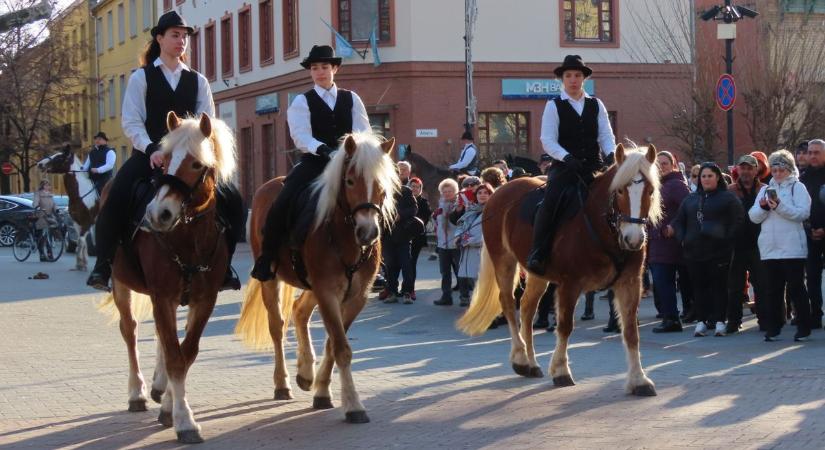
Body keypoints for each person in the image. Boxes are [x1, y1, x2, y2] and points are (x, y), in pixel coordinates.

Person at [86, 11, 245, 292]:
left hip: (189, 160)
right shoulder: (142, 78)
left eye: (184, 36)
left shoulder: (198, 81)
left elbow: (207, 123)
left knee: (232, 200)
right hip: (149, 156)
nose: (181, 41)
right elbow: (131, 121)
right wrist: (151, 149)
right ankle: (103, 265)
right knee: (115, 199)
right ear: (159, 38)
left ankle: (224, 268)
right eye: (175, 35)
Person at [251, 44, 371, 281]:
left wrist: (353, 149)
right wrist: (323, 149)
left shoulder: (352, 98)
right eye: (314, 68)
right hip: (316, 162)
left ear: (334, 68)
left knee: (374, 200)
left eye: (325, 67)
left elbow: (363, 130)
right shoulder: (301, 102)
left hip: (349, 164)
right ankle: (267, 257)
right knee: (284, 198)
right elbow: (300, 136)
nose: (320, 72)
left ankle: (376, 261)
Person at [527, 55, 616, 274]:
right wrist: (566, 157)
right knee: (550, 202)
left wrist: (612, 154)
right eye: (568, 76)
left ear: (584, 79)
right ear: (562, 79)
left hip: (594, 167)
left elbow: (605, 134)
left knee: (619, 200)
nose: (573, 80)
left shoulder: (596, 104)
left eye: (577, 75)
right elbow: (547, 140)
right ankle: (538, 252)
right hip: (565, 167)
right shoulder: (554, 105)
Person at [671, 162, 744, 337]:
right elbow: (678, 221)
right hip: (694, 252)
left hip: (719, 252)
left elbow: (739, 220)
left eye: (710, 175)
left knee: (719, 287)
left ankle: (719, 321)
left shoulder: (728, 198)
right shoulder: (691, 199)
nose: (706, 179)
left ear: (717, 177)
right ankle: (701, 321)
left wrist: (727, 238)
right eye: (703, 176)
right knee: (699, 287)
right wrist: (683, 239)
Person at [750, 150, 812, 342]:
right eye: (774, 170)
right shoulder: (764, 189)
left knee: (796, 288)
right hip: (770, 248)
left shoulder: (798, 187)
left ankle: (804, 326)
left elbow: (802, 213)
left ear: (789, 170)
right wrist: (763, 207)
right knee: (773, 289)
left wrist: (778, 206)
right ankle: (774, 327)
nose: (777, 174)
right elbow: (753, 216)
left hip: (792, 247)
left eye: (781, 170)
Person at [649, 151, 690, 333]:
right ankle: (669, 317)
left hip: (670, 241)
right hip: (656, 242)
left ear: (673, 165)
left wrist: (673, 226)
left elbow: (688, 207)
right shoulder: (655, 185)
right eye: (658, 164)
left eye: (665, 163)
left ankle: (672, 319)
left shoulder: (676, 185)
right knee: (661, 282)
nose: (661, 167)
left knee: (664, 281)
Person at [726, 154, 767, 333]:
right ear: (737, 169)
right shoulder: (730, 190)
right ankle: (734, 321)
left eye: (750, 168)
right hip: (736, 245)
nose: (746, 171)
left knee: (762, 285)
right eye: (743, 168)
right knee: (734, 287)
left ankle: (765, 319)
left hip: (760, 244)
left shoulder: (765, 189)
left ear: (756, 170)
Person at [455, 183, 494, 306]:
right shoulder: (471, 210)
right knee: (475, 279)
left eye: (486, 193)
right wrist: (459, 236)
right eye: (479, 193)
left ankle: (484, 306)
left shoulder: (493, 211)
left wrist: (467, 240)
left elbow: (489, 233)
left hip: (483, 251)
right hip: (469, 250)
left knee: (485, 280)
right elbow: (461, 225)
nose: (482, 195)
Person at [800, 139, 825, 329]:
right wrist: (810, 229)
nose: (813, 156)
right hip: (810, 234)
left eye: (817, 152)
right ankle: (816, 314)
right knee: (813, 276)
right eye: (810, 152)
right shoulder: (803, 178)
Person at [380, 182, 418, 304]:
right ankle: (392, 292)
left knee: (406, 265)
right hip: (387, 236)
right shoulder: (380, 190)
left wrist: (400, 215)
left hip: (403, 235)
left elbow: (414, 208)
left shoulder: (405, 191)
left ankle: (407, 292)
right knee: (389, 266)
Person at [433, 178, 461, 306]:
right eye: (445, 191)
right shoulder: (440, 206)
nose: (447, 193)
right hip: (443, 245)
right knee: (445, 272)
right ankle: (446, 296)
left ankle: (465, 296)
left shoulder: (460, 206)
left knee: (461, 272)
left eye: (450, 191)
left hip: (456, 244)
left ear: (455, 192)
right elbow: (436, 225)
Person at [408, 177, 431, 301]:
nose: (414, 189)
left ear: (420, 189)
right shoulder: (403, 200)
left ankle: (410, 289)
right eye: (412, 186)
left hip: (416, 238)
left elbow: (424, 218)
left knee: (411, 263)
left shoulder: (423, 202)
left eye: (417, 187)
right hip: (403, 237)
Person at [32, 180, 59, 261]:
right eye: (46, 185)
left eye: (48, 185)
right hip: (41, 215)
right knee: (41, 236)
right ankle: (42, 255)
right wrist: (36, 206)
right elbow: (35, 201)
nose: (47, 187)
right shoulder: (38, 193)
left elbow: (54, 204)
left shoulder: (50, 195)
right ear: (42, 186)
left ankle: (50, 254)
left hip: (49, 215)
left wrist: (57, 209)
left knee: (49, 236)